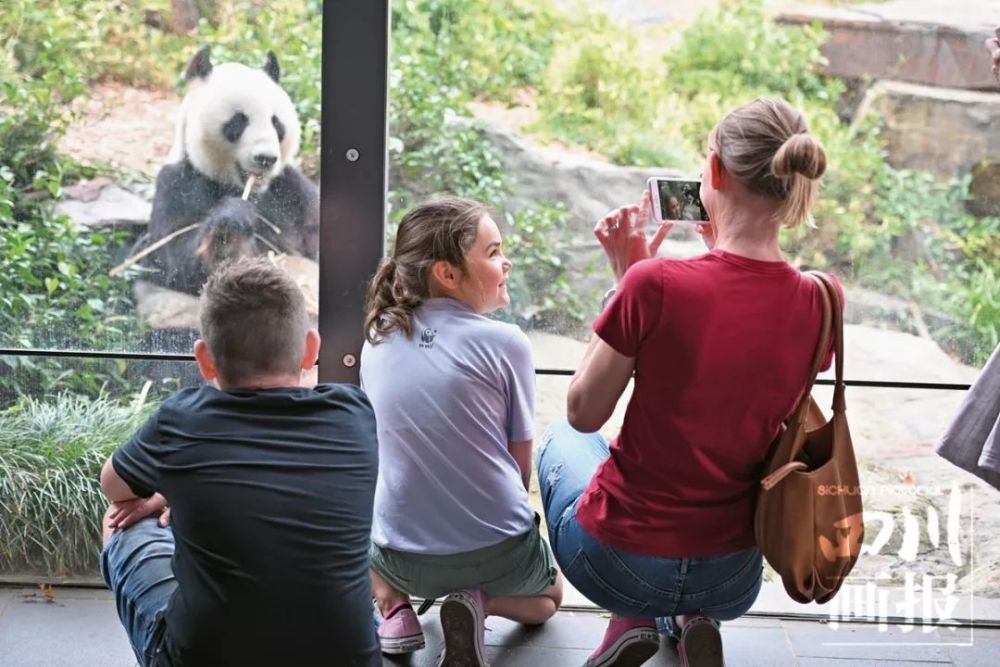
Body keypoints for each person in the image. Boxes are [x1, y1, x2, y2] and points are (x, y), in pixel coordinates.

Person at [537, 97, 841, 667]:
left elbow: (584, 411)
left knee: (561, 439)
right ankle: (689, 619)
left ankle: (634, 615)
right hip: (731, 579)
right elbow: (740, 365)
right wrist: (717, 259)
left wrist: (624, 282)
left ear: (716, 174)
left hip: (619, 560)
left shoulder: (653, 283)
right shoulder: (822, 298)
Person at [98, 257, 380, 667]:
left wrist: (169, 488)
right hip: (344, 657)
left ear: (204, 359)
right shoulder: (354, 414)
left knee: (121, 520)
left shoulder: (181, 420)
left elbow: (113, 486)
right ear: (311, 349)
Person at [361, 196, 563, 665]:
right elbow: (519, 465)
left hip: (403, 561)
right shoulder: (507, 343)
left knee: (363, 510)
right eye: (493, 253)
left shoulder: (378, 339)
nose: (506, 261)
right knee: (550, 597)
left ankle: (394, 608)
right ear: (447, 274)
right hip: (499, 553)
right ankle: (478, 603)